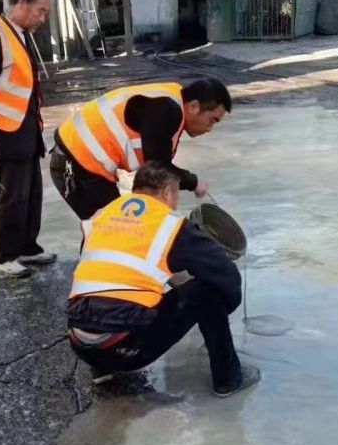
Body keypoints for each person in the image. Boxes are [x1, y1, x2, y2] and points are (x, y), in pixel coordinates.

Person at [66, 162, 260, 398]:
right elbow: (225, 274)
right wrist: (221, 308)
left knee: (106, 287)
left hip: (79, 342)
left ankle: (101, 370)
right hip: (126, 351)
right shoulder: (172, 226)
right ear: (168, 193)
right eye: (176, 195)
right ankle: (228, 379)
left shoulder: (102, 215)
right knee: (208, 292)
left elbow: (114, 270)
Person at [50, 78, 232, 221]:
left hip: (85, 164)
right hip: (75, 162)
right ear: (193, 106)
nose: (210, 128)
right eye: (212, 120)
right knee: (110, 230)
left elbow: (152, 172)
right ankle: (97, 268)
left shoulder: (172, 101)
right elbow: (157, 169)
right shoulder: (165, 109)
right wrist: (194, 182)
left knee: (115, 227)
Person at [0, 0, 57, 277]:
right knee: (13, 197)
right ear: (21, 3)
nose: (43, 19)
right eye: (40, 11)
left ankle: (26, 246)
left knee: (31, 196)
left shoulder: (20, 33)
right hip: (6, 133)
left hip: (27, 131)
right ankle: (3, 255)